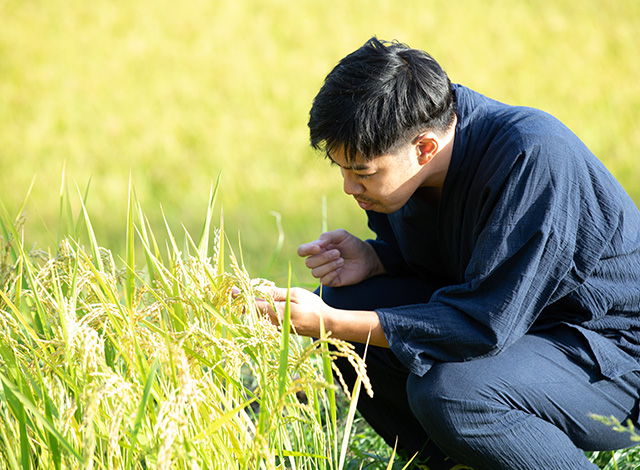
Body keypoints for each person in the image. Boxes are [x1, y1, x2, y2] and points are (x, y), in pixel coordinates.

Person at [255, 37, 640, 469]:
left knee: (447, 390)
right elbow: (462, 267)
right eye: (340, 168)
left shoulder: (532, 156)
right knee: (346, 302)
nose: (349, 187)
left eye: (362, 172)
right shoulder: (415, 150)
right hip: (519, 330)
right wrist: (379, 258)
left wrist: (332, 323)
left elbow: (483, 324)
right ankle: (457, 461)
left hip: (608, 357)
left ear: (424, 148)